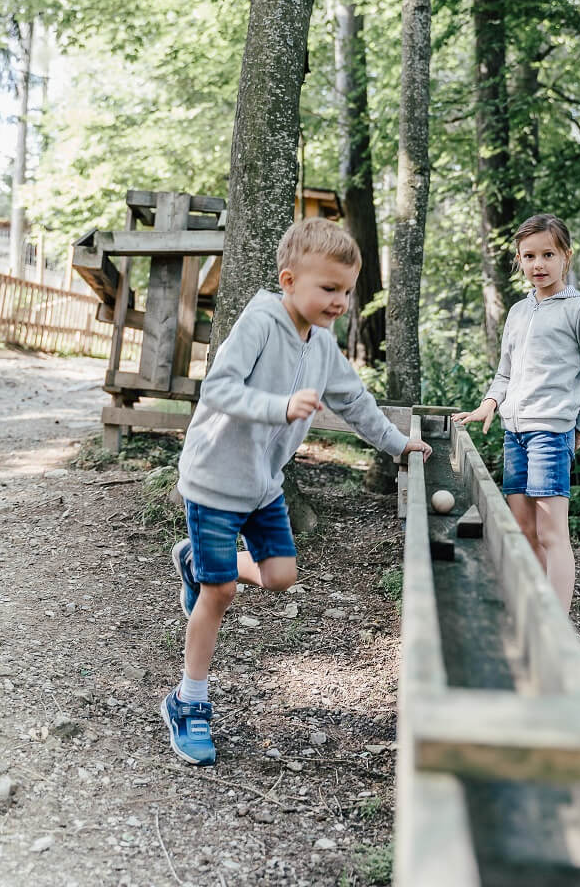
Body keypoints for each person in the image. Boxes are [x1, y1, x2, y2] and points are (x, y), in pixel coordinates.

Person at [161, 217, 432, 765]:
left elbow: (356, 403)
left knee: (281, 577)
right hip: (215, 482)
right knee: (220, 596)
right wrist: (278, 407)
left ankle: (197, 559)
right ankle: (188, 701)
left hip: (262, 486)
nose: (339, 301)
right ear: (289, 280)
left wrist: (398, 444)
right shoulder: (262, 320)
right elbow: (217, 387)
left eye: (347, 291)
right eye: (328, 289)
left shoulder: (324, 345)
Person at [452, 213, 580, 613]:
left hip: (551, 434)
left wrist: (579, 428)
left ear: (566, 257)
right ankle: (532, 608)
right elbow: (505, 372)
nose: (537, 264)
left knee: (551, 532)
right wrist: (490, 403)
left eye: (547, 254)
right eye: (529, 256)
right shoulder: (518, 313)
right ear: (519, 261)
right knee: (523, 528)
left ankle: (555, 622)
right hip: (516, 433)